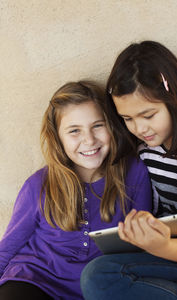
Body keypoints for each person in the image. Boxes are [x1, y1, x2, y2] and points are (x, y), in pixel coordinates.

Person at [0, 80, 152, 300]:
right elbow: (8, 247)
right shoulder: (39, 184)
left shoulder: (133, 172)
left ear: (111, 125)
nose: (89, 140)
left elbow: (142, 244)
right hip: (34, 280)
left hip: (96, 287)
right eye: (74, 131)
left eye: (98, 126)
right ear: (58, 138)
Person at [80, 41, 177, 300]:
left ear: (174, 97)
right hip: (172, 255)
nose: (139, 128)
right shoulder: (146, 152)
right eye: (128, 118)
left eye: (148, 115)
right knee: (97, 275)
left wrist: (165, 246)